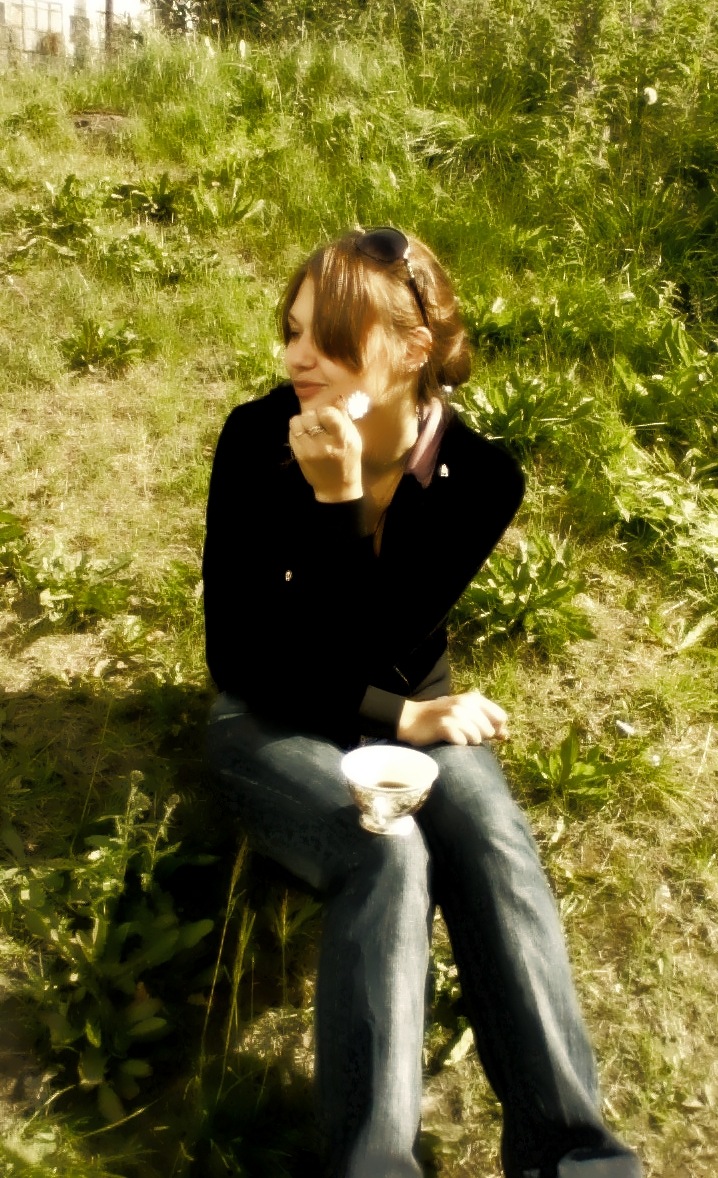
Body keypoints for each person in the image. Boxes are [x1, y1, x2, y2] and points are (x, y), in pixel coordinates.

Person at [202, 227, 642, 1178]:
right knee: (384, 847)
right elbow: (239, 654)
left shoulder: (480, 477)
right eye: (291, 331)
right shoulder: (255, 438)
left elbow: (379, 638)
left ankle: (577, 1158)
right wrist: (337, 508)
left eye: (329, 338)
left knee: (495, 841)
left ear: (412, 349)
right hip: (272, 717)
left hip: (405, 702)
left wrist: (345, 508)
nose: (297, 358)